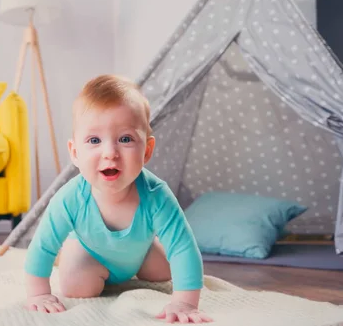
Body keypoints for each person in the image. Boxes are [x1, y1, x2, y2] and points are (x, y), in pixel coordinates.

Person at [23, 74, 212, 324]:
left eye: (125, 139)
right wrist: (39, 294)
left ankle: (139, 260)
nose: (110, 153)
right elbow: (42, 246)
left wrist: (185, 303)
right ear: (75, 153)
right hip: (89, 253)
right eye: (94, 140)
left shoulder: (157, 195)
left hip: (140, 251)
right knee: (76, 287)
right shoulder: (70, 198)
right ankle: (70, 251)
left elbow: (183, 248)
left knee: (167, 272)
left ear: (146, 151)